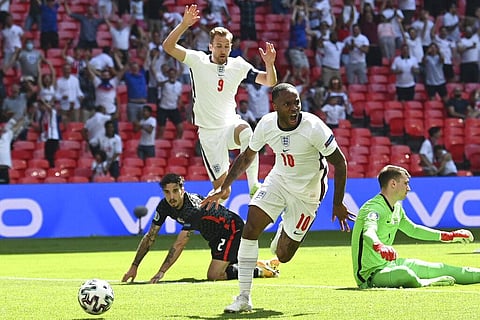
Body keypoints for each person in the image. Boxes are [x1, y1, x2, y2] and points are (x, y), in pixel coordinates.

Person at [201, 83, 355, 313]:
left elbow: (340, 163)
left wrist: (337, 202)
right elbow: (247, 156)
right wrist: (224, 186)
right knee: (250, 228)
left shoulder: (313, 127)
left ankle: (285, 228)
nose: (294, 108)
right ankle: (244, 297)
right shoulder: (266, 124)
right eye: (287, 104)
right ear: (275, 107)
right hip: (279, 181)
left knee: (283, 255)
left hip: (307, 193)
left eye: (297, 103)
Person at [162, 4, 277, 201]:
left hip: (229, 124)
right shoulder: (198, 60)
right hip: (209, 133)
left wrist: (269, 64)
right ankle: (203, 218)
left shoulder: (238, 65)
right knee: (223, 192)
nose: (223, 50)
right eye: (219, 46)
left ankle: (253, 186)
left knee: (248, 132)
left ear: (231, 47)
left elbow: (270, 81)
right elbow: (168, 46)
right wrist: (183, 25)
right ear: (210, 46)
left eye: (226, 46)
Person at [121, 173, 279, 283]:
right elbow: (150, 236)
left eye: (175, 191)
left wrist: (161, 272)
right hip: (215, 236)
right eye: (167, 192)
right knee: (226, 266)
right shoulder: (164, 206)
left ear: (182, 190)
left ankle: (260, 271)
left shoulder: (193, 208)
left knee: (215, 275)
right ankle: (257, 263)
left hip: (230, 229)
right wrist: (134, 267)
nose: (172, 197)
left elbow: (180, 243)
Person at [351, 164, 480, 289]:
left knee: (441, 268)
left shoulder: (396, 207)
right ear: (393, 184)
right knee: (404, 273)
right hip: (370, 275)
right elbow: (368, 232)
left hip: (391, 264)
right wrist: (379, 246)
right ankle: (425, 282)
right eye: (406, 183)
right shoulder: (374, 208)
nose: (409, 188)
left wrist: (448, 236)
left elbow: (413, 230)